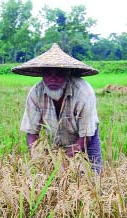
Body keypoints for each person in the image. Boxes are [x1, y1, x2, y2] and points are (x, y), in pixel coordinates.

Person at [12, 43, 102, 173]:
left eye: (59, 73)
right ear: (41, 74)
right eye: (48, 73)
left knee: (92, 178)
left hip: (86, 137)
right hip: (56, 141)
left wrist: (64, 159)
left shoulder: (83, 93)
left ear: (68, 73)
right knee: (52, 179)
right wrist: (39, 158)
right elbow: (32, 133)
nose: (53, 78)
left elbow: (85, 137)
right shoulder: (35, 93)